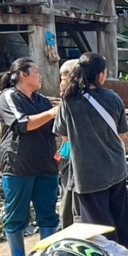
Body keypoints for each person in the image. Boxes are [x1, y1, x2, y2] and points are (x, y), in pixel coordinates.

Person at [54, 52, 128, 249]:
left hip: (87, 174)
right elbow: (121, 135)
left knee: (98, 227)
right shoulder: (113, 99)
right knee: (120, 220)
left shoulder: (68, 102)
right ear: (101, 75)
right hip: (115, 168)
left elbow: (65, 139)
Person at [0, 58, 59, 256]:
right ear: (23, 74)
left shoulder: (42, 101)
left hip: (46, 163)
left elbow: (55, 129)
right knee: (16, 213)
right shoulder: (9, 97)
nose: (40, 76)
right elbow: (21, 124)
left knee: (48, 213)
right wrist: (51, 114)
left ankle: (46, 254)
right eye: (36, 72)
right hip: (18, 164)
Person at [56, 59, 79, 228]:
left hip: (74, 162)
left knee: (70, 205)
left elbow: (65, 137)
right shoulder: (107, 98)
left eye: (63, 79)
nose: (60, 84)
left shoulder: (68, 103)